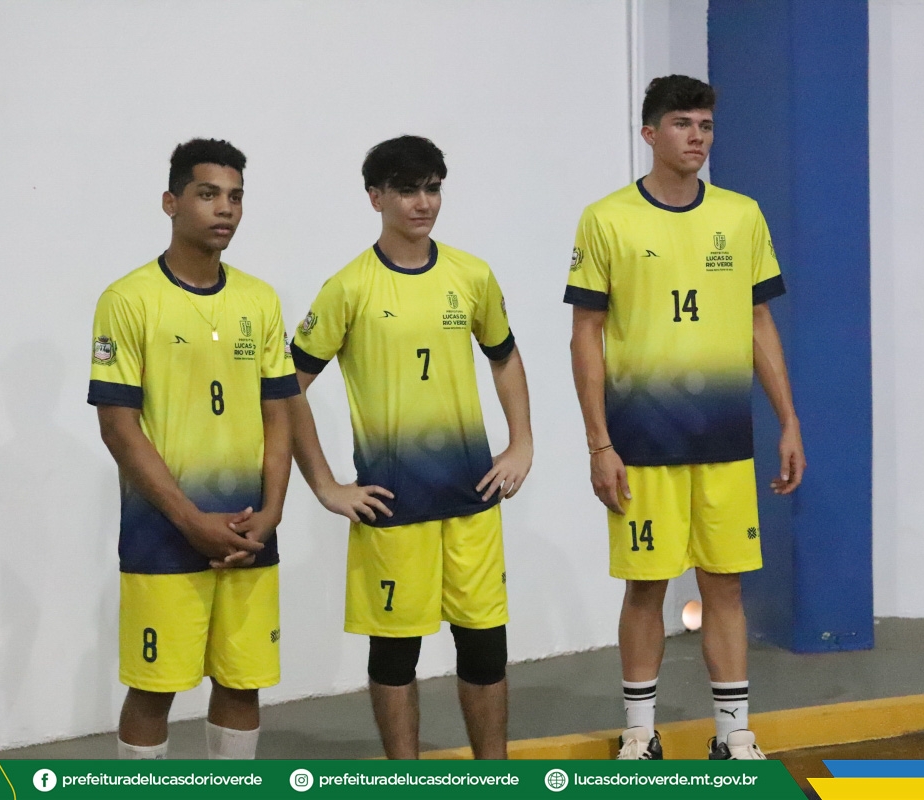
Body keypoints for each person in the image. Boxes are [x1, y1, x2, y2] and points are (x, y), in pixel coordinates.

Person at [565, 75, 806, 761]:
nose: (696, 136)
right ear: (649, 133)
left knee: (724, 584)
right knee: (645, 586)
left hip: (726, 440)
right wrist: (598, 444)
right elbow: (586, 334)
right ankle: (640, 733)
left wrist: (788, 420)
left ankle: (733, 734)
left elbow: (759, 321)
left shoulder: (742, 215)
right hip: (641, 442)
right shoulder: (607, 219)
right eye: (681, 124)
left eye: (704, 125)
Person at [288, 135, 532, 759]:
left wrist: (521, 443)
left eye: (432, 189)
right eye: (406, 190)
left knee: (485, 648)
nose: (423, 203)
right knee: (396, 655)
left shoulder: (470, 275)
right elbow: (286, 390)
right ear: (375, 197)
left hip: (472, 501)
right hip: (393, 508)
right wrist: (325, 485)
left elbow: (504, 357)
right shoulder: (348, 288)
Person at [87, 138, 299, 760]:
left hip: (248, 531)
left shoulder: (260, 299)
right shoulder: (127, 299)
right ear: (171, 202)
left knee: (242, 681)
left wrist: (273, 510)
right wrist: (189, 520)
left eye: (235, 197)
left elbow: (279, 413)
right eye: (208, 194)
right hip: (163, 533)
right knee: (154, 690)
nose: (224, 208)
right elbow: (117, 426)